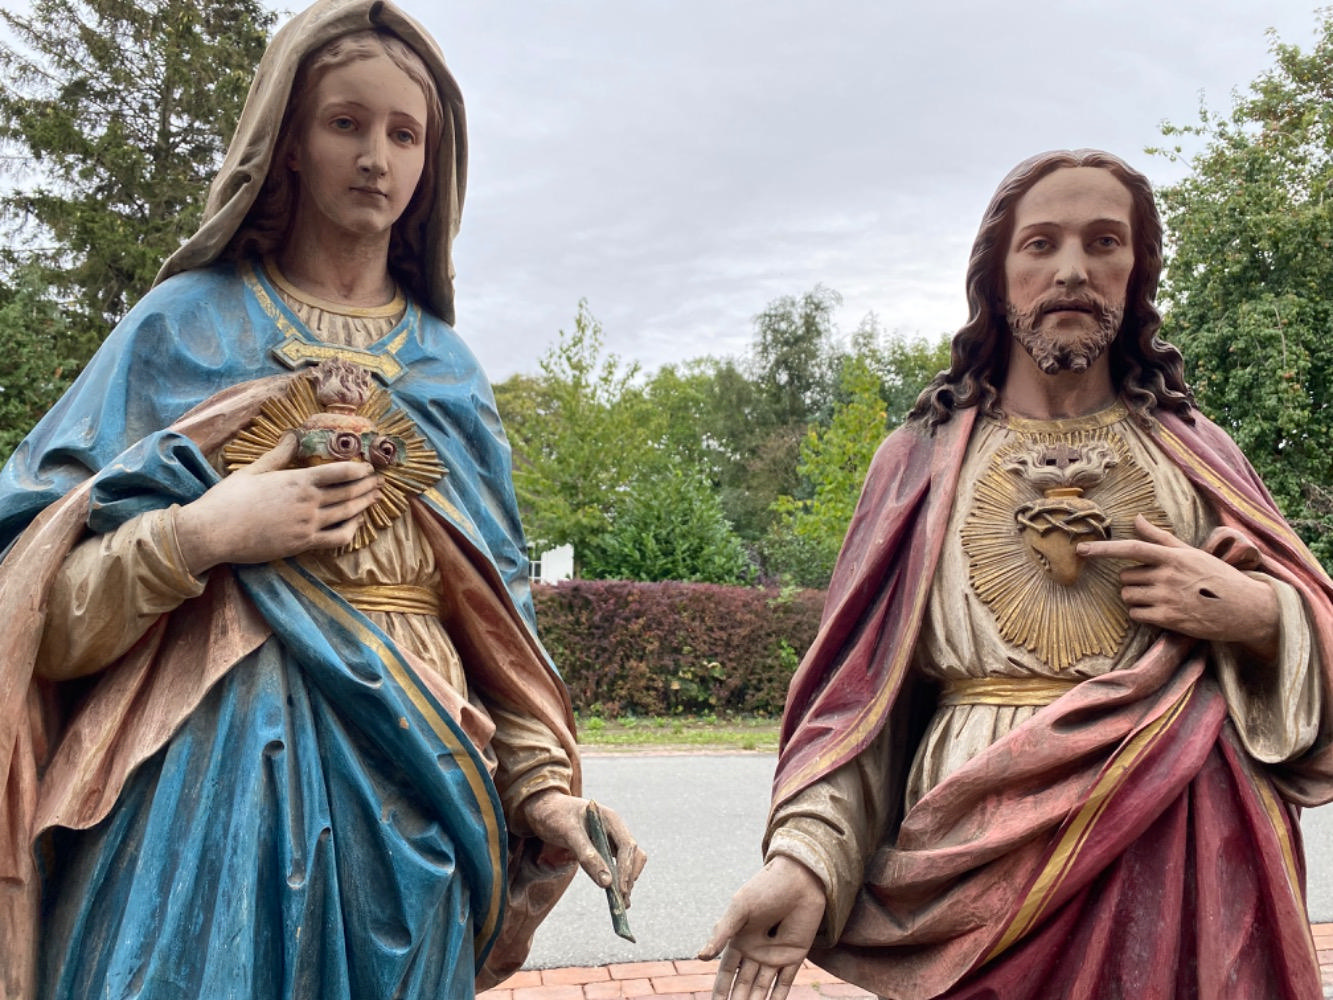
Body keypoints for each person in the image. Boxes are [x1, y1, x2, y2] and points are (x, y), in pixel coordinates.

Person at [0, 2, 644, 998]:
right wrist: (204, 532)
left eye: (405, 134)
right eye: (346, 123)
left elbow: (497, 631)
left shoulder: (446, 375)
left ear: (433, 162)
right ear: (290, 141)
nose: (377, 158)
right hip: (192, 809)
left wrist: (545, 793)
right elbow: (40, 613)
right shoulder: (182, 330)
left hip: (409, 806)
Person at [701, 150, 1333, 999]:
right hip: (972, 849)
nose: (1072, 269)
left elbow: (1315, 630)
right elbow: (856, 703)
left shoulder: (1196, 456)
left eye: (1103, 242)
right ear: (996, 277)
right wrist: (806, 858)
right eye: (1040, 244)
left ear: (1136, 271)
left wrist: (1259, 616)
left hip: (1181, 852)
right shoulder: (919, 463)